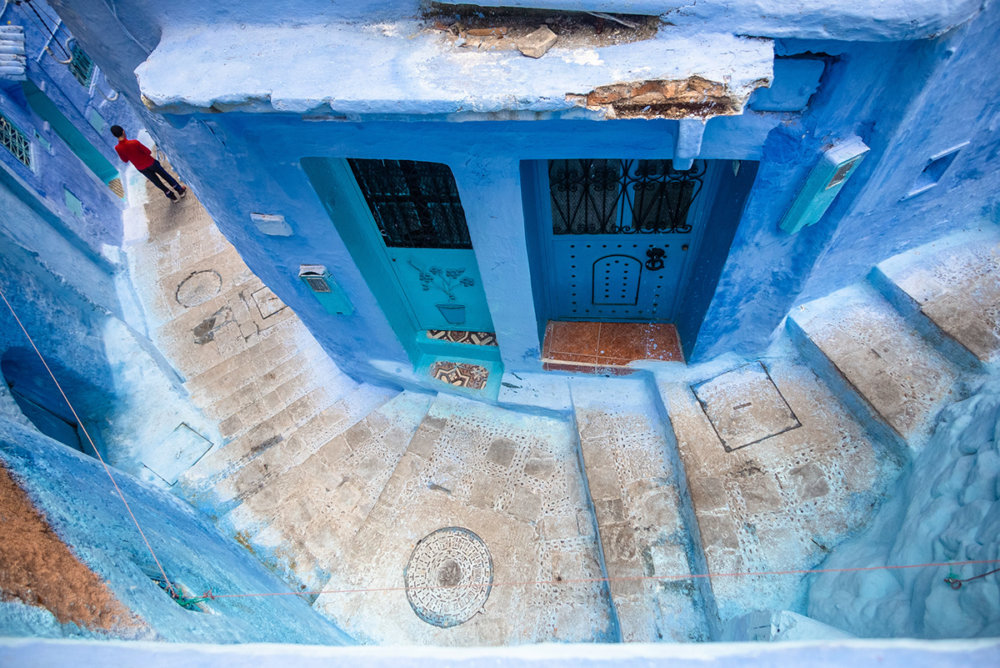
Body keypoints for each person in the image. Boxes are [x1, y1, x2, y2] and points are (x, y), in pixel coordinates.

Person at [110, 125, 187, 202]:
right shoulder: (134, 142)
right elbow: (148, 151)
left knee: (157, 182)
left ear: (114, 136)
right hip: (151, 163)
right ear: (123, 131)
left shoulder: (118, 148)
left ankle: (172, 196)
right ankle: (179, 190)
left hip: (141, 168)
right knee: (165, 175)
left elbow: (125, 160)